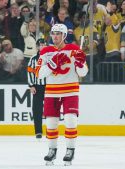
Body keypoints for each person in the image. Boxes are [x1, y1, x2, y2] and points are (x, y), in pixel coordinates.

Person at [35, 24, 88, 166]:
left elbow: (83, 73)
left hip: (70, 90)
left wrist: (80, 63)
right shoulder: (45, 51)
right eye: (53, 33)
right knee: (51, 123)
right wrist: (52, 64)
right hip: (52, 92)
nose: (55, 36)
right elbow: (39, 74)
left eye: (58, 33)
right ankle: (52, 150)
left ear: (64, 35)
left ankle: (70, 149)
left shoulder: (74, 49)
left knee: (71, 120)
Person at [27, 39, 47, 139]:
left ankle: (51, 129)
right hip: (37, 87)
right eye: (40, 45)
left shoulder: (50, 57)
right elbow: (30, 72)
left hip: (49, 87)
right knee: (37, 109)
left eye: (43, 44)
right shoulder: (33, 59)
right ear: (37, 47)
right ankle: (38, 131)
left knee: (51, 109)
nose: (42, 46)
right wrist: (31, 85)